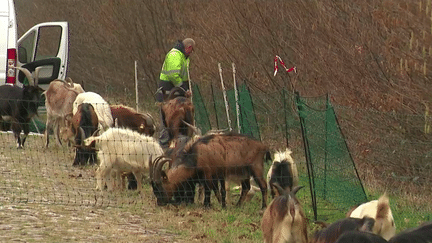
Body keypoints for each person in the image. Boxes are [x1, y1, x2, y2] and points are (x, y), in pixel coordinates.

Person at [156, 38, 195, 148]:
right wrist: (184, 89)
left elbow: (183, 76)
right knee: (166, 123)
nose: (191, 54)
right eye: (191, 51)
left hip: (176, 94)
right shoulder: (175, 55)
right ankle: (164, 148)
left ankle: (179, 147)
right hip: (167, 94)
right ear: (189, 48)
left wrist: (186, 89)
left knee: (179, 124)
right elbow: (173, 75)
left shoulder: (183, 57)